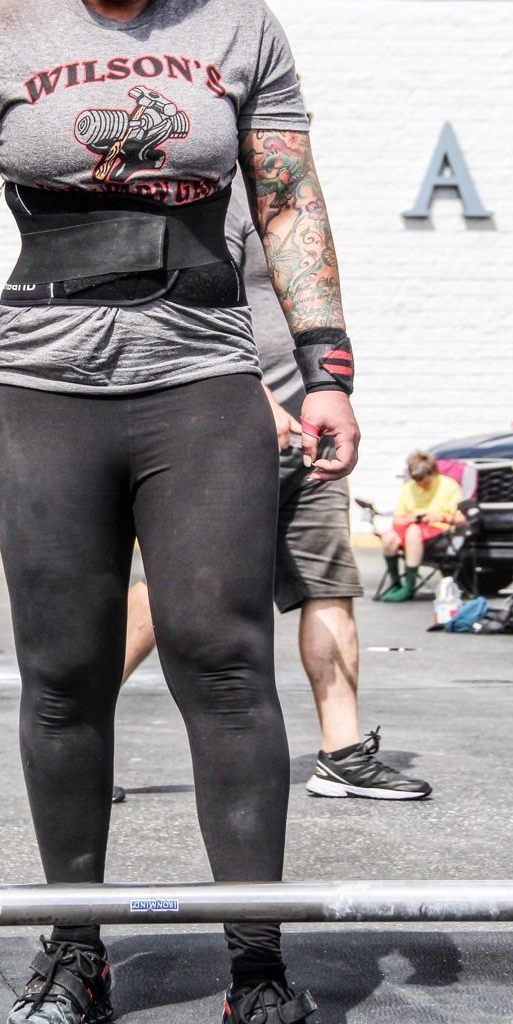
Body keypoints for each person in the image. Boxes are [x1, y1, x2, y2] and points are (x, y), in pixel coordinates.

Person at [0, 0, 360, 1021]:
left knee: (225, 660)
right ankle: (74, 951)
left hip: (202, 382)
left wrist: (326, 367)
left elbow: (290, 204)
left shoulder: (238, 26)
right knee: (64, 675)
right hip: (43, 389)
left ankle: (258, 969)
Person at [119, 179, 432, 803]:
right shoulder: (220, 195)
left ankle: (342, 754)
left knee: (328, 588)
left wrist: (327, 394)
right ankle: (80, 735)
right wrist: (253, 396)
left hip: (308, 436)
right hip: (227, 426)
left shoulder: (296, 201)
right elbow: (193, 304)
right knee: (170, 591)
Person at [379, 451, 464, 602]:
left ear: (434, 473)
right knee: (388, 536)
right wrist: (409, 518)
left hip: (438, 531)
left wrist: (440, 517)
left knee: (414, 531)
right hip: (411, 527)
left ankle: (409, 587)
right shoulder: (408, 488)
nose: (421, 486)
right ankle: (395, 583)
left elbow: (461, 518)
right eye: (417, 483)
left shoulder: (449, 486)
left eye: (425, 483)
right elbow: (398, 519)